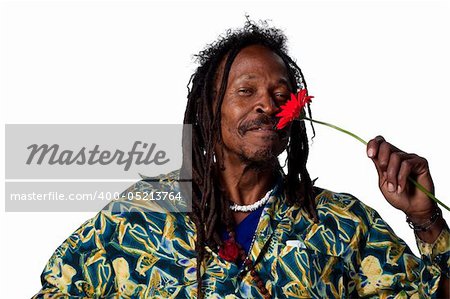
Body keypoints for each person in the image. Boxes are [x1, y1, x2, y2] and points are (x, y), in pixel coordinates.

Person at [33, 20, 449, 298]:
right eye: (246, 91)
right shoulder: (140, 215)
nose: (267, 104)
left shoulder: (343, 222)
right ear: (210, 109)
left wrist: (427, 219)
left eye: (281, 93)